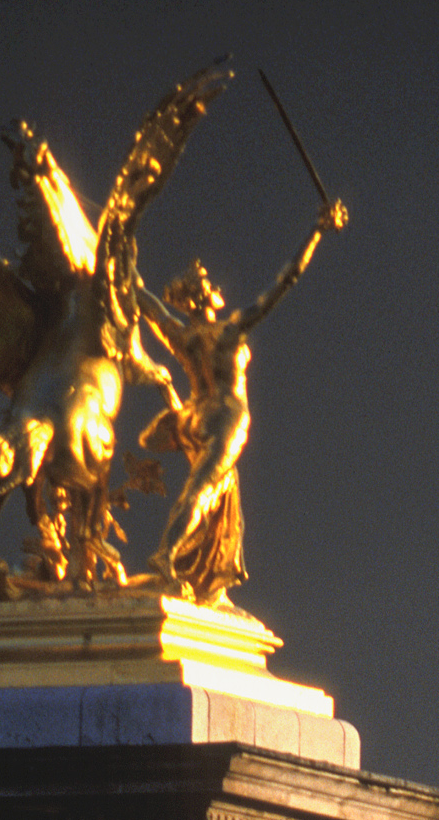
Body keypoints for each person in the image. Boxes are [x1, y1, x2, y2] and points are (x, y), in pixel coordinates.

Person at [139, 203, 345, 604]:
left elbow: (143, 301)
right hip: (227, 416)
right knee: (203, 489)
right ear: (204, 296)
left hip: (192, 417)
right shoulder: (231, 331)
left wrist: (114, 261)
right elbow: (283, 283)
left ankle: (201, 575)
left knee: (218, 494)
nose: (216, 286)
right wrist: (316, 232)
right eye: (208, 284)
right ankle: (165, 555)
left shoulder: (180, 334)